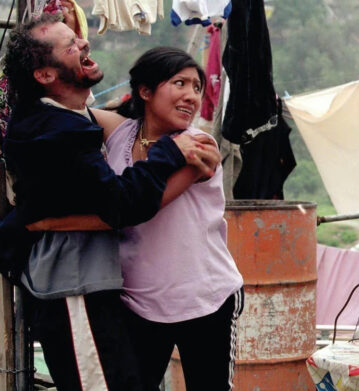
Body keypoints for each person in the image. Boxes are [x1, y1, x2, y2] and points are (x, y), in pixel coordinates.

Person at [0, 15, 220, 390]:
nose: (83, 44)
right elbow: (122, 208)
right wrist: (167, 151)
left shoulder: (72, 115)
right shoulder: (58, 131)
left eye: (196, 86)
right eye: (70, 45)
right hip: (75, 286)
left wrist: (36, 220)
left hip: (201, 297)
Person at [90, 47, 243, 390]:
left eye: (197, 87)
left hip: (205, 300)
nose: (192, 96)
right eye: (180, 83)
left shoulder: (197, 146)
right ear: (145, 91)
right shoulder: (121, 133)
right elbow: (75, 112)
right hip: (139, 302)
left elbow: (140, 205)